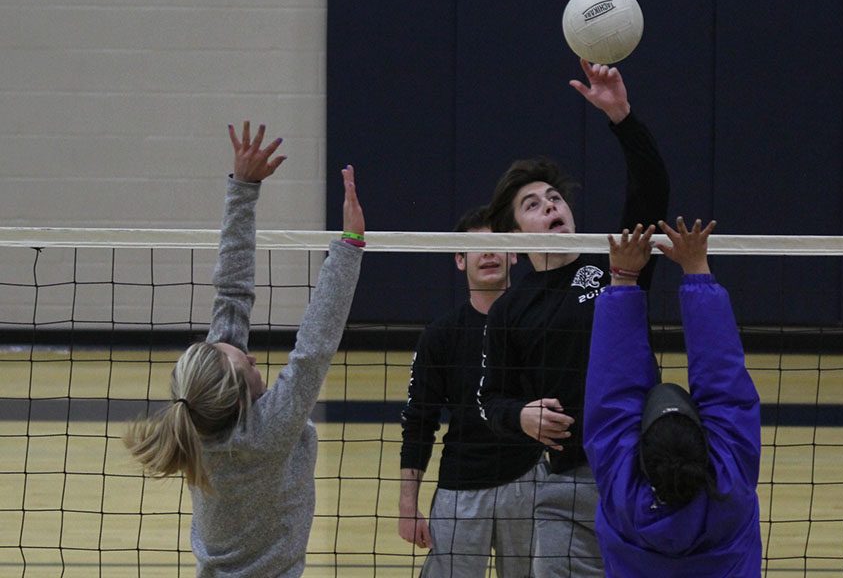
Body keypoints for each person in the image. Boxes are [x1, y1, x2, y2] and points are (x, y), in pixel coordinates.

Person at [123, 121, 367, 576]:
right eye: (247, 364)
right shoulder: (267, 431)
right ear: (241, 399)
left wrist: (244, 187)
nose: (252, 357)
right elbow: (313, 346)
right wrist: (349, 247)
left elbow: (231, 292)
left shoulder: (201, 422)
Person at [477, 60, 670, 576]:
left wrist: (622, 117)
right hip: (562, 485)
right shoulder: (510, 311)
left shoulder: (617, 267)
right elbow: (490, 399)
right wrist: (519, 416)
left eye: (555, 198)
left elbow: (650, 191)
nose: (550, 205)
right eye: (533, 204)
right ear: (515, 233)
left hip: (635, 473)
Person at [583, 217, 762, 575]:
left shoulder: (623, 492)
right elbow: (724, 385)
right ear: (706, 446)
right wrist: (697, 270)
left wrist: (623, 278)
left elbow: (613, 393)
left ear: (641, 458)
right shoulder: (731, 487)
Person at [399, 206, 545, 577]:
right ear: (460, 260)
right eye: (476, 245)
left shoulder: (540, 326)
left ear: (515, 253)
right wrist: (407, 505)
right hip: (461, 487)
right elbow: (420, 421)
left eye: (497, 243)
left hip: (529, 482)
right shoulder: (441, 336)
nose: (489, 253)